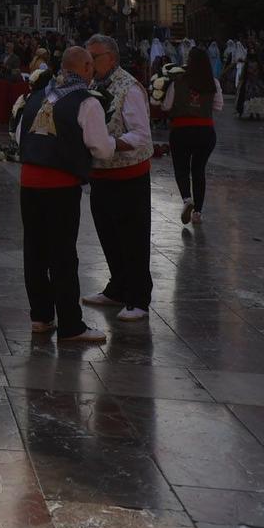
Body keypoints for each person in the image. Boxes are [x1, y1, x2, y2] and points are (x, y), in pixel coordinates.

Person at [16, 45, 117, 344]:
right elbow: (101, 148)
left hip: (29, 182)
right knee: (62, 255)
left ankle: (41, 317)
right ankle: (71, 325)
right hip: (60, 184)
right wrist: (114, 143)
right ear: (86, 68)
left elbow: (20, 135)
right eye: (91, 67)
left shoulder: (37, 95)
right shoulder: (86, 102)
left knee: (34, 252)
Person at [83, 35, 153, 321]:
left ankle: (138, 297)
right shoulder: (92, 85)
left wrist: (110, 143)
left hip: (128, 174)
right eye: (87, 58)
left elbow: (141, 134)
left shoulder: (129, 87)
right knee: (107, 232)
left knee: (132, 237)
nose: (89, 63)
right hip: (101, 172)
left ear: (111, 57)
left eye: (94, 58)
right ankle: (117, 287)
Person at [165, 46, 223, 226]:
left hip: (181, 131)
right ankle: (198, 212)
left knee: (181, 168)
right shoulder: (213, 82)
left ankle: (186, 199)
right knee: (198, 171)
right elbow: (218, 106)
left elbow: (167, 106)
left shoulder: (177, 81)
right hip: (205, 132)